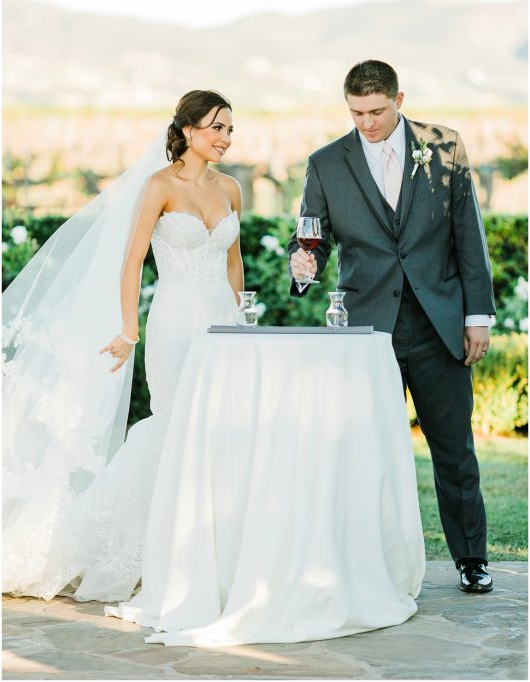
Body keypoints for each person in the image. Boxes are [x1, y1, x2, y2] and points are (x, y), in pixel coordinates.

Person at [3, 89, 243, 602]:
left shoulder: (230, 189)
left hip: (223, 325)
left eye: (229, 129)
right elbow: (131, 261)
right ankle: (152, 549)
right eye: (217, 127)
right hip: (175, 325)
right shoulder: (159, 185)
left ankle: (210, 549)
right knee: (175, 428)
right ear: (188, 130)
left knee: (219, 433)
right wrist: (128, 331)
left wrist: (241, 315)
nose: (225, 137)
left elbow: (234, 262)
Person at [289, 60, 496, 595]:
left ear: (399, 99)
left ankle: (472, 559)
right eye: (356, 113)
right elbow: (311, 236)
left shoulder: (444, 146)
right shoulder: (326, 163)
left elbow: (467, 235)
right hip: (367, 331)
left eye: (377, 111)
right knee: (364, 450)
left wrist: (477, 316)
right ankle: (364, 561)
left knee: (453, 450)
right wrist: (303, 262)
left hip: (439, 325)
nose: (367, 123)